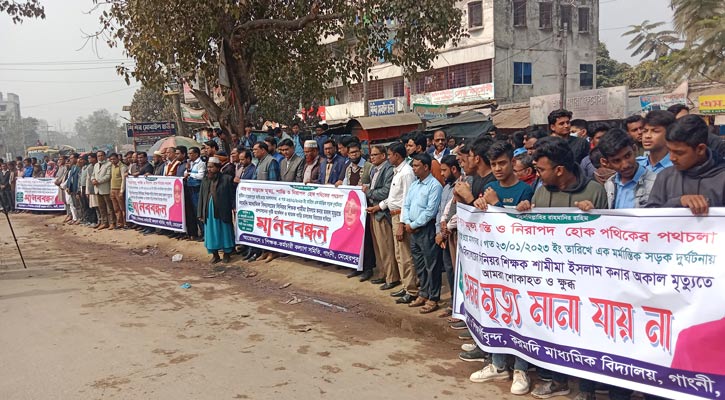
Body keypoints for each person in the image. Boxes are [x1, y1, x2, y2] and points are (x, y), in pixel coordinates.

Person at [516, 136, 607, 399]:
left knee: (586, 334)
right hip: (549, 279)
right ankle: (558, 381)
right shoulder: (542, 191)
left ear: (559, 170)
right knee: (554, 330)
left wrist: (592, 216)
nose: (537, 174)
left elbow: (607, 238)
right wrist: (524, 212)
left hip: (584, 281)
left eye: (541, 169)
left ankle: (587, 389)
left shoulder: (594, 192)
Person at [646, 114, 725, 214]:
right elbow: (649, 217)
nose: (672, 158)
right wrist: (678, 202)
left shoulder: (722, 178)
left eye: (679, 153)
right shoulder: (665, 176)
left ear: (700, 149)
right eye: (669, 151)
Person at [402, 152, 442, 314]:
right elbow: (406, 205)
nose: (413, 168)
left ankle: (433, 297)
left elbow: (430, 211)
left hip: (426, 229)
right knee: (419, 264)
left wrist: (414, 224)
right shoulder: (415, 184)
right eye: (413, 165)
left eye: (417, 165)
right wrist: (407, 223)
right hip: (412, 229)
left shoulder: (434, 186)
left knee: (431, 265)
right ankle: (423, 294)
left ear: (426, 167)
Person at [378, 143, 417, 305]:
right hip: (394, 214)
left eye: (390, 154)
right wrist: (380, 206)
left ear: (397, 156)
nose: (388, 157)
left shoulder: (406, 173)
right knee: (399, 254)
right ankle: (405, 285)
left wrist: (402, 223)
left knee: (405, 254)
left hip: (401, 216)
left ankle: (412, 289)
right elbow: (394, 197)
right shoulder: (398, 171)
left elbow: (407, 200)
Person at [364, 145, 398, 290]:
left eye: (375, 155)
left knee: (386, 247)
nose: (372, 157)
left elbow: (386, 192)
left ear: (383, 156)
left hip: (382, 213)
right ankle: (383, 273)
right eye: (371, 155)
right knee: (379, 247)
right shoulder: (373, 169)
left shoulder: (388, 170)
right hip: (373, 211)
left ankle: (392, 277)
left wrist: (369, 193)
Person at [596, 128, 658, 210]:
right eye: (617, 161)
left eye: (628, 156)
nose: (625, 165)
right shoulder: (609, 184)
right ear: (606, 162)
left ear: (634, 150)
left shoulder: (656, 183)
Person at [474, 141, 534, 211]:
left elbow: (519, 221)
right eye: (493, 164)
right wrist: (478, 204)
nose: (497, 169)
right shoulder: (489, 188)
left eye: (502, 163)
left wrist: (495, 203)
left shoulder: (525, 190)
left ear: (513, 162)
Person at [434, 155, 460, 317]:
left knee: (456, 270)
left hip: (454, 234)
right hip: (443, 235)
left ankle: (458, 305)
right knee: (449, 270)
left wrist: (443, 233)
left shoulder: (462, 186)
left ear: (454, 169)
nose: (441, 173)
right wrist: (439, 232)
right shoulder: (445, 188)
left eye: (444, 170)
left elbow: (456, 213)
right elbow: (440, 212)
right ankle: (452, 302)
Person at [198, 157, 236, 264]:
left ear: (218, 168)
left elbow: (231, 195)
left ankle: (227, 254)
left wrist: (233, 206)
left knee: (225, 231)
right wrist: (200, 212)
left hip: (223, 210)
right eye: (208, 167)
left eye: (211, 167)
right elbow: (202, 196)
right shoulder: (205, 180)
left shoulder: (227, 179)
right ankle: (215, 255)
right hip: (209, 211)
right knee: (211, 232)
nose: (209, 169)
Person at [92, 150, 115, 229]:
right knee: (101, 207)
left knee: (110, 207)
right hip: (97, 189)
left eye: (101, 155)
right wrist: (93, 180)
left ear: (104, 156)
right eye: (98, 156)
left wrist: (98, 181)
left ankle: (112, 222)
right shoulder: (95, 165)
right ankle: (104, 222)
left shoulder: (109, 164)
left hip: (105, 188)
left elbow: (108, 176)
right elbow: (93, 175)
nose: (100, 157)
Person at [108, 153, 127, 229]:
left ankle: (125, 223)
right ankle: (119, 223)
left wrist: (122, 191)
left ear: (118, 158)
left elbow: (123, 179)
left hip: (119, 189)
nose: (112, 161)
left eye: (114, 159)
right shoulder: (111, 166)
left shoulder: (122, 167)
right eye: (111, 159)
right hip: (112, 189)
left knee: (122, 208)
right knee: (116, 208)